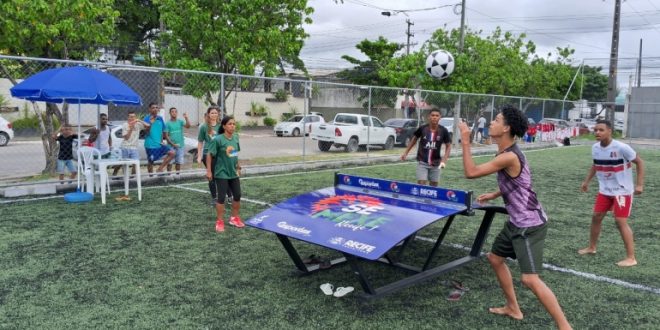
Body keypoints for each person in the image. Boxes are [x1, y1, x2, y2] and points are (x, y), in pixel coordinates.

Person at [457, 106, 571, 330]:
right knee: (495, 258)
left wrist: (465, 139)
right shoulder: (507, 152)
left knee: (529, 279)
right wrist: (497, 193)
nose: (491, 122)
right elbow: (521, 182)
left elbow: (470, 173)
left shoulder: (508, 156)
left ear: (506, 128)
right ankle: (513, 308)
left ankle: (565, 327)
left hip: (529, 225)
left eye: (496, 120)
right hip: (516, 222)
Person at [577, 119, 645, 267]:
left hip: (622, 191)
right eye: (595, 130)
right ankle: (592, 247)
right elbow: (596, 164)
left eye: (601, 130)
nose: (597, 132)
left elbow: (639, 162)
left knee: (620, 222)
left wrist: (639, 185)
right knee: (596, 217)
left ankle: (631, 257)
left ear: (609, 131)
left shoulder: (622, 147)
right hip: (605, 190)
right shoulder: (595, 147)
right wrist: (586, 181)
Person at [206, 116, 244, 233]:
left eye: (234, 124)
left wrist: (237, 165)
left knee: (237, 195)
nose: (232, 126)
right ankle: (220, 221)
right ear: (224, 126)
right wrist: (208, 171)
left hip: (233, 172)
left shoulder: (235, 138)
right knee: (221, 198)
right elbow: (209, 155)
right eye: (230, 124)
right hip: (221, 173)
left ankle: (234, 218)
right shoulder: (218, 139)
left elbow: (234, 153)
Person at [400, 108, 451, 186]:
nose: (434, 117)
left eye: (437, 115)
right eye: (432, 115)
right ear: (429, 117)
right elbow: (414, 139)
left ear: (440, 117)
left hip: (436, 163)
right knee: (421, 184)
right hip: (422, 162)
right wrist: (405, 153)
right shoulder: (423, 128)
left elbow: (448, 145)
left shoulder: (443, 130)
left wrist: (444, 160)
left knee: (434, 186)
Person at [197, 106, 222, 206]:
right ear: (208, 114)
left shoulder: (221, 126)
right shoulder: (204, 127)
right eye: (212, 113)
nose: (214, 115)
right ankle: (214, 198)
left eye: (216, 113)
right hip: (208, 155)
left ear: (218, 114)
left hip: (219, 154)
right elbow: (200, 141)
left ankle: (226, 195)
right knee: (211, 176)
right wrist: (199, 156)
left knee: (221, 175)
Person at [144, 102, 175, 174]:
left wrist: (162, 140)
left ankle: (159, 169)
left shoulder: (160, 118)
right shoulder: (146, 119)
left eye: (156, 107)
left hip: (159, 144)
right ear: (149, 109)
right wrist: (151, 123)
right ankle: (150, 177)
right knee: (151, 161)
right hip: (150, 145)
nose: (155, 109)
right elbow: (146, 133)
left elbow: (163, 131)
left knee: (172, 153)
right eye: (153, 108)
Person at [114, 110, 148, 176]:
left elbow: (148, 126)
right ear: (128, 118)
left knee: (136, 163)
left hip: (134, 147)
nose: (132, 118)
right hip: (125, 147)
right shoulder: (125, 125)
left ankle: (133, 177)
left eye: (134, 117)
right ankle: (115, 173)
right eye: (131, 117)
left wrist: (139, 120)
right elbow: (126, 137)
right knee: (122, 163)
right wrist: (131, 128)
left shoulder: (138, 125)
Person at [165, 107, 191, 174]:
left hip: (180, 145)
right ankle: (169, 176)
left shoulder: (180, 122)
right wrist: (173, 144)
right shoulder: (167, 123)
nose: (174, 113)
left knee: (178, 162)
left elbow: (188, 126)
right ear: (170, 113)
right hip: (171, 146)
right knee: (169, 162)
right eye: (172, 112)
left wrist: (186, 117)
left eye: (175, 112)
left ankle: (177, 176)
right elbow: (166, 136)